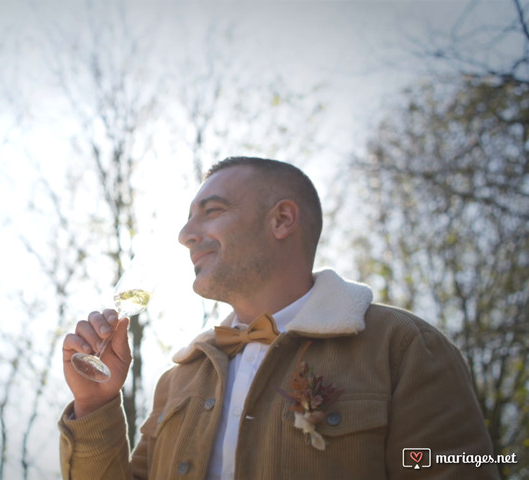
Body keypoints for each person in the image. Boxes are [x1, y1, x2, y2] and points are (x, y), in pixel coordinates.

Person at [59, 156, 498, 479]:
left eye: (211, 212)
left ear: (283, 219)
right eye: (188, 220)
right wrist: (95, 405)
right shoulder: (178, 381)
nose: (186, 236)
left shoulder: (403, 347)